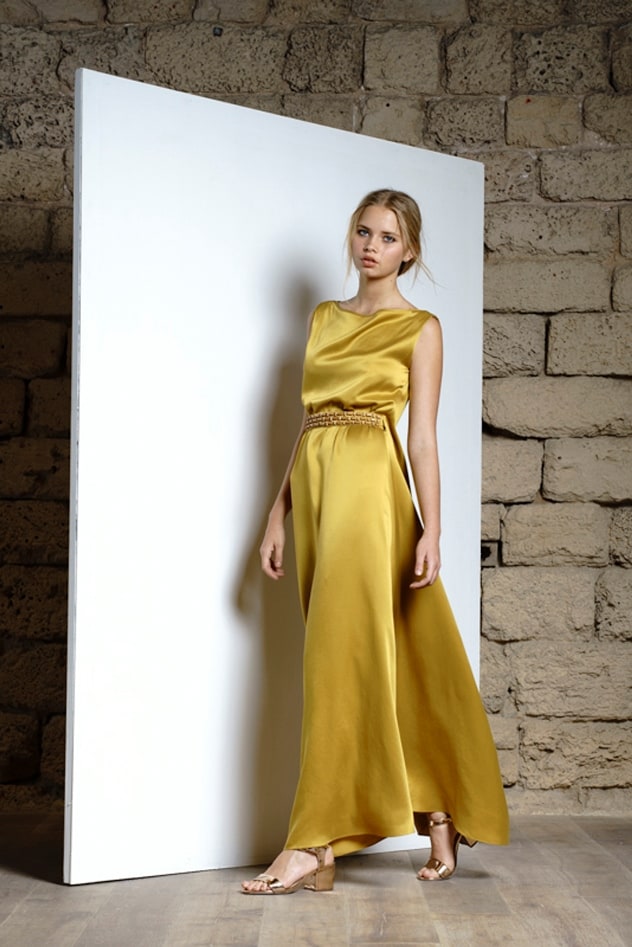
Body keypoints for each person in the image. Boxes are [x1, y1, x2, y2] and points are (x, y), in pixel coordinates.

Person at [241, 188, 509, 895]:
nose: (372, 246)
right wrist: (276, 513)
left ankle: (312, 842)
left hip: (369, 493)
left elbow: (422, 439)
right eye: (364, 231)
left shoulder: (421, 328)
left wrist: (433, 528)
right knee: (382, 652)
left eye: (388, 237)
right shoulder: (323, 318)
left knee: (337, 656)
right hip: (318, 490)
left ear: (409, 250)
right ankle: (439, 809)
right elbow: (308, 422)